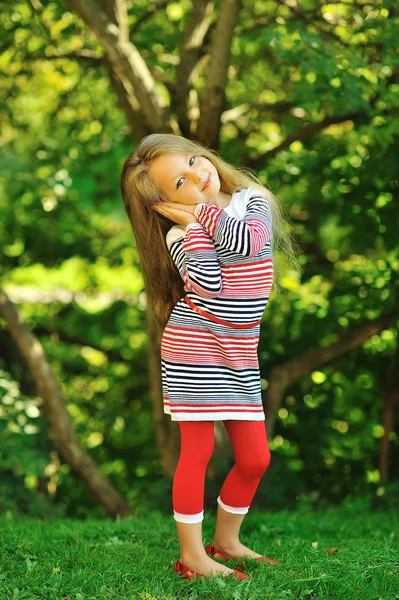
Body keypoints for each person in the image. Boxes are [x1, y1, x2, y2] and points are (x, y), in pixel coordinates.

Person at [120, 133, 301, 580]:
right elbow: (210, 287)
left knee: (256, 456)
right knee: (197, 452)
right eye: (181, 182)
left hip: (239, 355)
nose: (200, 175)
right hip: (193, 350)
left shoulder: (249, 200)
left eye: (195, 161)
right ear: (164, 204)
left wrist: (201, 210)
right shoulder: (180, 236)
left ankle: (226, 541)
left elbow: (250, 244)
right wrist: (194, 225)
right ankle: (194, 557)